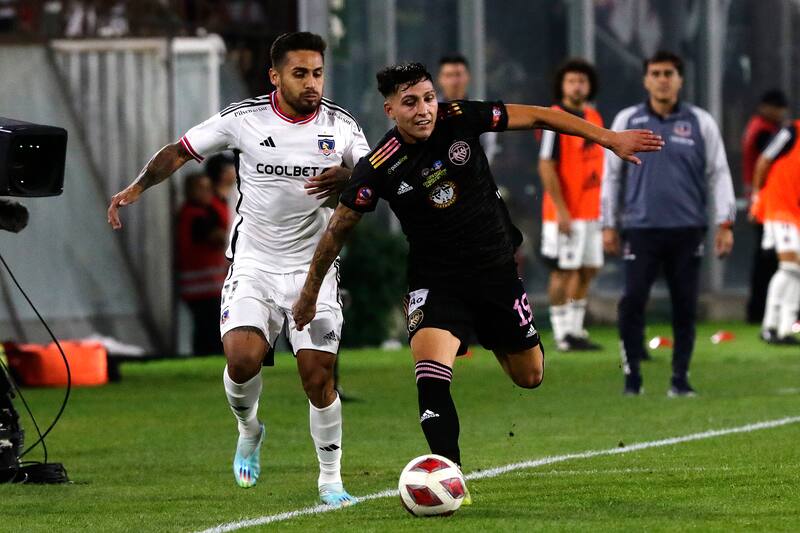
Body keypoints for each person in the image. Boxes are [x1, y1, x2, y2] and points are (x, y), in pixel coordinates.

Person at [292, 63, 661, 496]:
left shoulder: (459, 117)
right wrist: (310, 292)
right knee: (430, 377)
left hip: (496, 273)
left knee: (530, 376)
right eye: (410, 103)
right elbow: (337, 229)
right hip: (436, 281)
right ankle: (450, 478)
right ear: (390, 109)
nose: (424, 110)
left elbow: (543, 115)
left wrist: (610, 139)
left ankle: (491, 334)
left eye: (428, 98)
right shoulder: (380, 165)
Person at [107, 32, 370, 507]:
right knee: (242, 359)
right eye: (300, 73)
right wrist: (137, 187)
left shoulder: (342, 126)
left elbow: (377, 177)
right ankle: (249, 430)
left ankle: (330, 481)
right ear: (275, 76)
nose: (312, 83)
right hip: (253, 263)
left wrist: (352, 176)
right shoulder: (243, 119)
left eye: (317, 72)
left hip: (314, 266)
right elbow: (180, 150)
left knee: (317, 376)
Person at [601, 50, 736, 397]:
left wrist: (726, 222)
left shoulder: (700, 122)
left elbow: (718, 173)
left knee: (685, 306)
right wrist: (608, 223)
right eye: (656, 73)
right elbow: (611, 176)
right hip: (640, 229)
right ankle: (632, 377)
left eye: (669, 73)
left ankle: (680, 378)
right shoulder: (627, 119)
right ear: (646, 79)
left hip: (687, 230)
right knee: (631, 301)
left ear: (680, 79)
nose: (663, 79)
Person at [538, 58, 604, 352]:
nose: (577, 86)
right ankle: (562, 332)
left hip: (592, 211)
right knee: (563, 271)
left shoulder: (594, 116)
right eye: (571, 81)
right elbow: (546, 166)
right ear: (562, 86)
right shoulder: (554, 118)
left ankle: (576, 330)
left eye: (582, 81)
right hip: (564, 213)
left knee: (588, 268)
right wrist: (561, 209)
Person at [750, 121, 800, 345]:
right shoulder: (792, 131)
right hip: (779, 207)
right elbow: (764, 160)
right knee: (789, 267)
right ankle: (769, 326)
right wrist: (757, 197)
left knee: (796, 271)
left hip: (794, 212)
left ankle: (785, 329)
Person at [742, 90, 788, 323]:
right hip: (770, 204)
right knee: (772, 261)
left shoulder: (757, 127)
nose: (782, 114)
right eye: (779, 109)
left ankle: (761, 311)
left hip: (765, 203)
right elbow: (769, 162)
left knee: (768, 260)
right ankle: (761, 312)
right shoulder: (763, 131)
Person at [176, 172, 228, 355]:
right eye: (202, 188)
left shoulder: (194, 213)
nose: (208, 193)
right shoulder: (196, 215)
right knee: (209, 330)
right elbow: (220, 238)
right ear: (190, 191)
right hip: (203, 287)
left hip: (204, 286)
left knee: (206, 328)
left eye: (209, 188)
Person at [204, 152, 237, 230]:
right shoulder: (209, 203)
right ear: (222, 173)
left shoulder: (234, 195)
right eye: (231, 166)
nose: (236, 169)